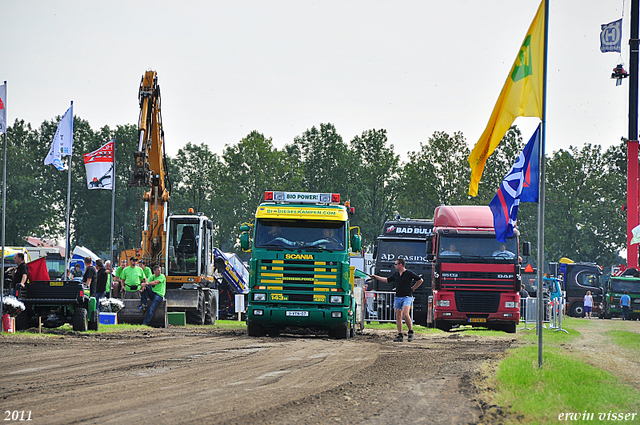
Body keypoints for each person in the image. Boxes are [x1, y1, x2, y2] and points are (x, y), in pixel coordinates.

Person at [369, 258, 423, 342]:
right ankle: (400, 334)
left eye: (396, 264)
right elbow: (387, 280)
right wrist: (376, 277)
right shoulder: (396, 274)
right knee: (398, 315)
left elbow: (420, 280)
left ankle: (410, 332)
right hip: (398, 296)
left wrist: (413, 288)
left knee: (405, 313)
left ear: (400, 265)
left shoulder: (409, 273)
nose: (395, 266)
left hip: (407, 296)